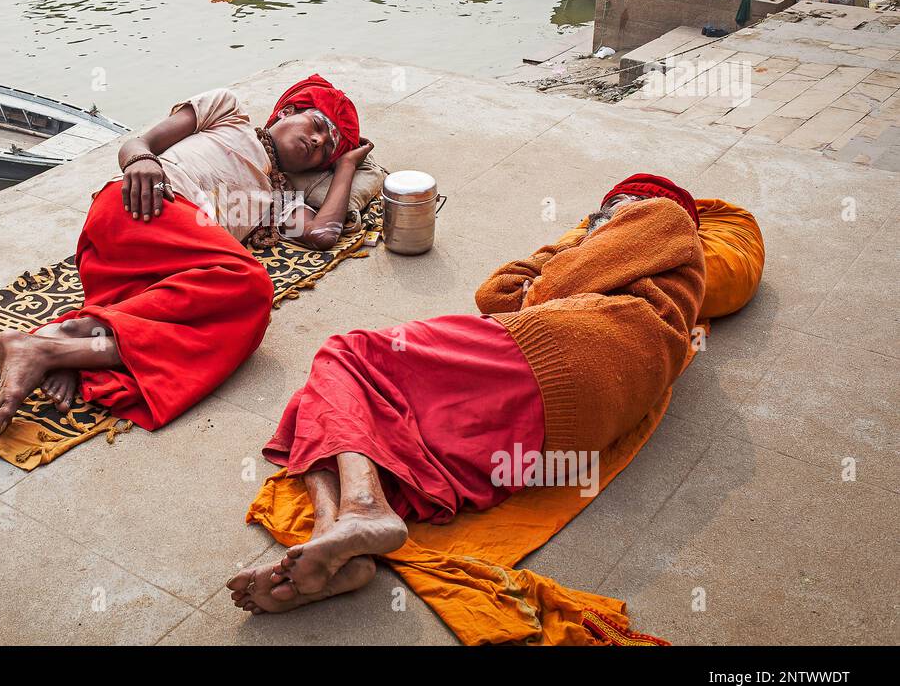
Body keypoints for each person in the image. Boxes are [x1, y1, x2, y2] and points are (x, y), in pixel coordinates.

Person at [227, 174, 706, 615]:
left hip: (566, 350)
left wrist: (572, 247)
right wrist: (571, 254)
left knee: (346, 356)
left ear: (634, 203)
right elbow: (497, 296)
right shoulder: (654, 278)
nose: (596, 220)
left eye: (608, 209)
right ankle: (338, 539)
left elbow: (524, 294)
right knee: (377, 431)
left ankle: (359, 510)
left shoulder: (665, 215)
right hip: (572, 427)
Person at [0, 75, 371, 437]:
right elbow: (139, 143)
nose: (318, 141)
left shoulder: (279, 200)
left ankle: (58, 346)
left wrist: (346, 167)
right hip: (143, 207)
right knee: (252, 284)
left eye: (327, 148)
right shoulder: (228, 112)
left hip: (160, 269)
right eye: (317, 125)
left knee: (219, 326)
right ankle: (68, 345)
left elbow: (322, 234)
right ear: (286, 112)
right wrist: (141, 161)